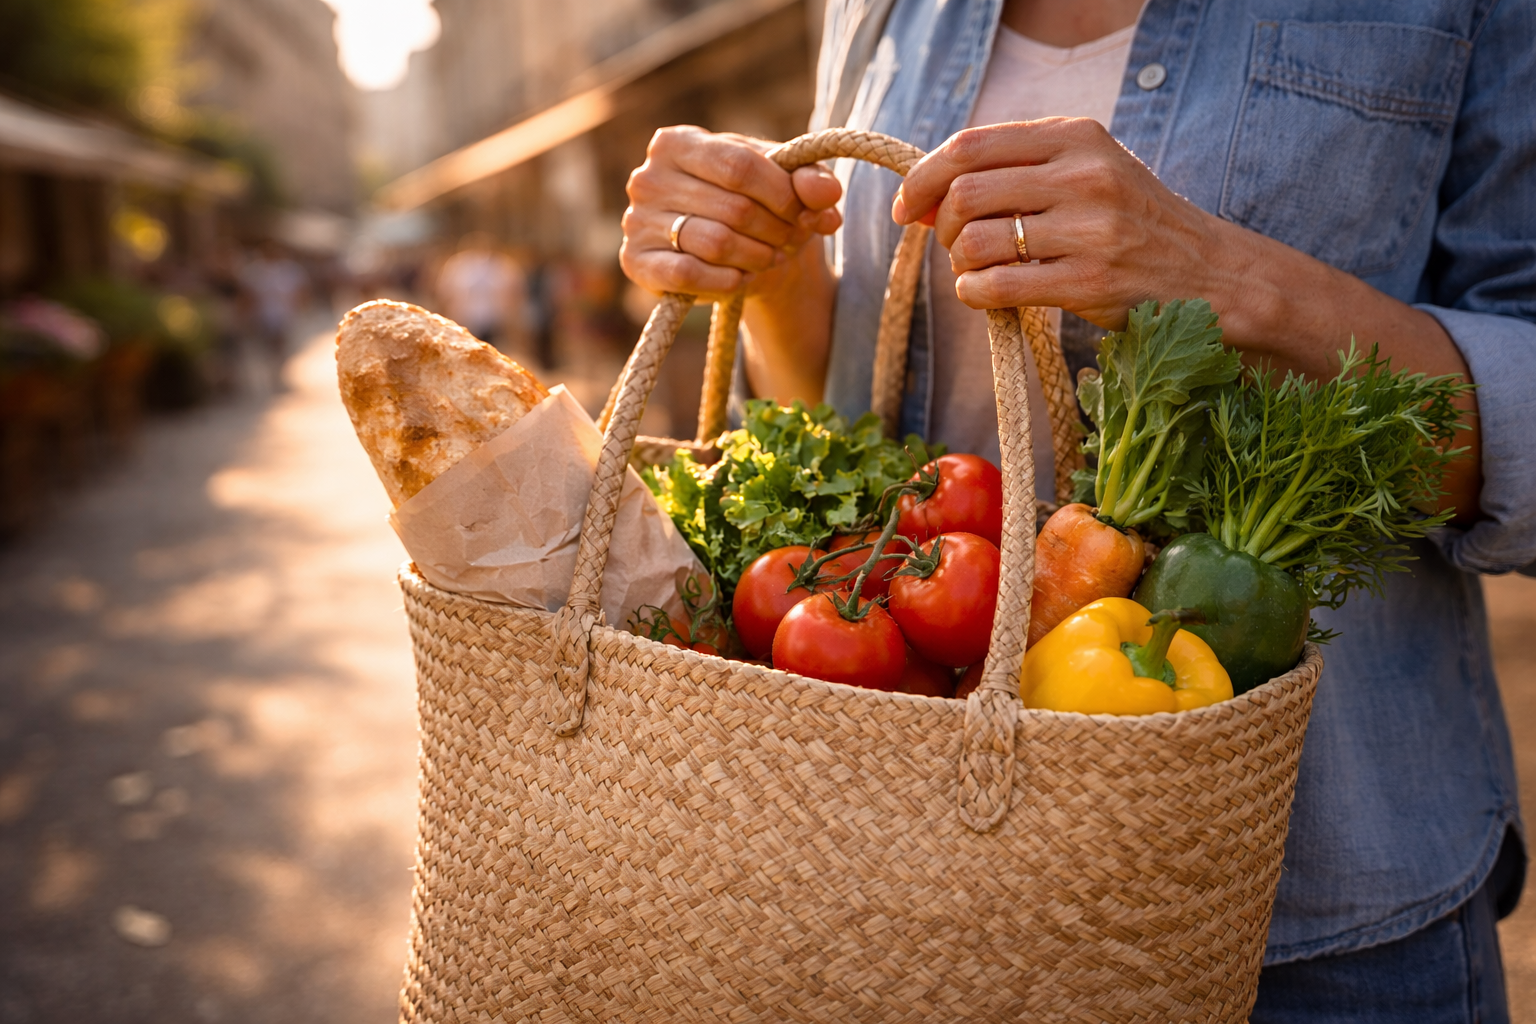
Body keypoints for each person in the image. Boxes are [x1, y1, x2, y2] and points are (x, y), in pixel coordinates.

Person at [619, 0, 1536, 1018]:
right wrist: (775, 268)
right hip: (890, 887)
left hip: (1314, 922)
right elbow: (840, 422)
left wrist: (1224, 279)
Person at [435, 232, 526, 353]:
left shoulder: (502, 264)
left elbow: (514, 290)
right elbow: (445, 292)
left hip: (494, 318)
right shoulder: (457, 264)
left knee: (493, 350)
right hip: (465, 317)